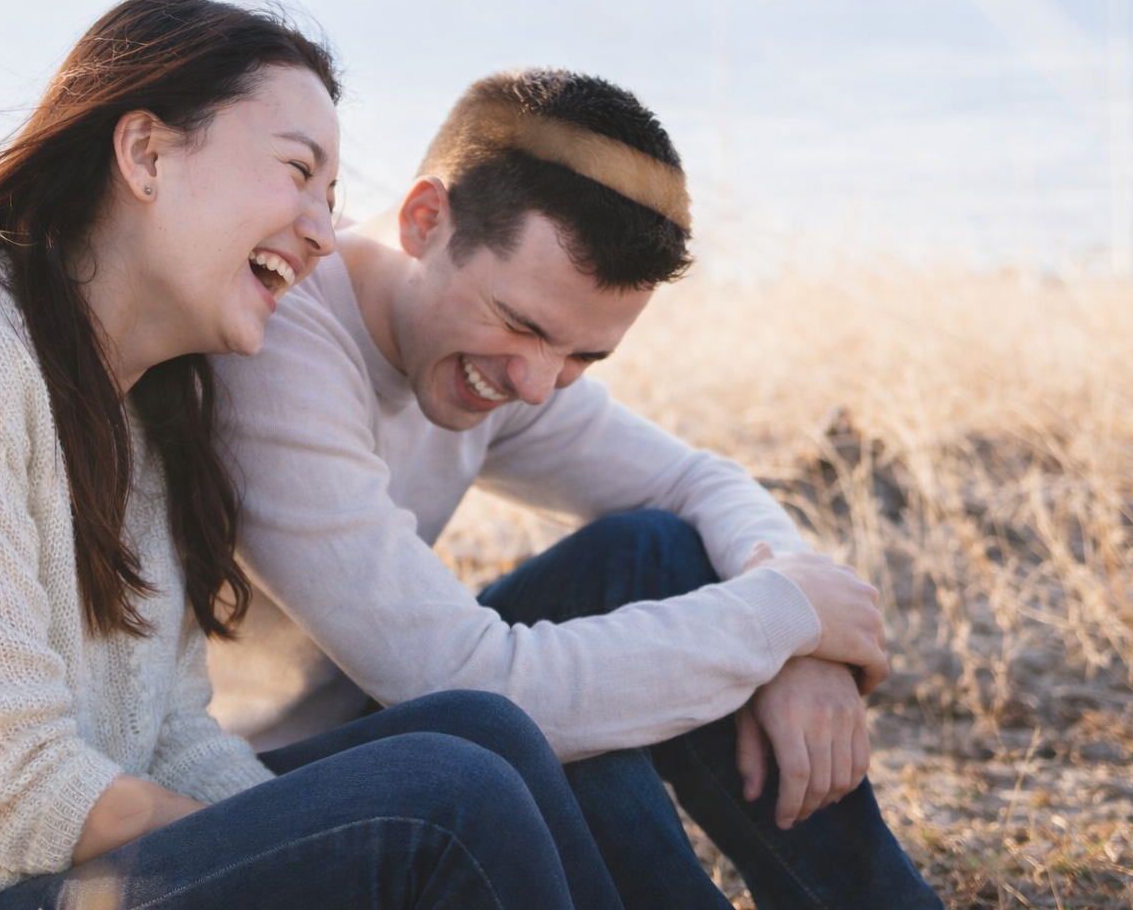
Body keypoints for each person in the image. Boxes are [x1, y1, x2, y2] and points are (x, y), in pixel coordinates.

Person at [0, 0, 623, 910]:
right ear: (146, 154)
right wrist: (314, 850)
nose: (322, 230)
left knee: (485, 736)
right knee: (445, 799)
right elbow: (2, 778)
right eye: (295, 170)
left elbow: (171, 734)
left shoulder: (147, 413)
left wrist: (309, 843)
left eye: (332, 196)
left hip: (69, 875)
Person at [208, 67, 944, 908]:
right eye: (521, 324)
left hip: (403, 720)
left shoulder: (499, 358)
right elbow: (461, 679)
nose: (534, 383)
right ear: (424, 220)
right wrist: (778, 617)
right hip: (254, 794)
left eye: (584, 357)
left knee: (653, 551)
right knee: (528, 725)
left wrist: (799, 631)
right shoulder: (282, 339)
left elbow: (695, 481)